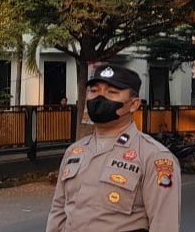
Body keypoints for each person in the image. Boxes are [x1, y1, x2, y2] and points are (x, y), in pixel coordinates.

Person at [46, 64, 181, 232]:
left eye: (112, 92)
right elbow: (58, 210)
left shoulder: (154, 157)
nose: (99, 97)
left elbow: (164, 225)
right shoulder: (74, 151)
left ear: (133, 104)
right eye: (94, 91)